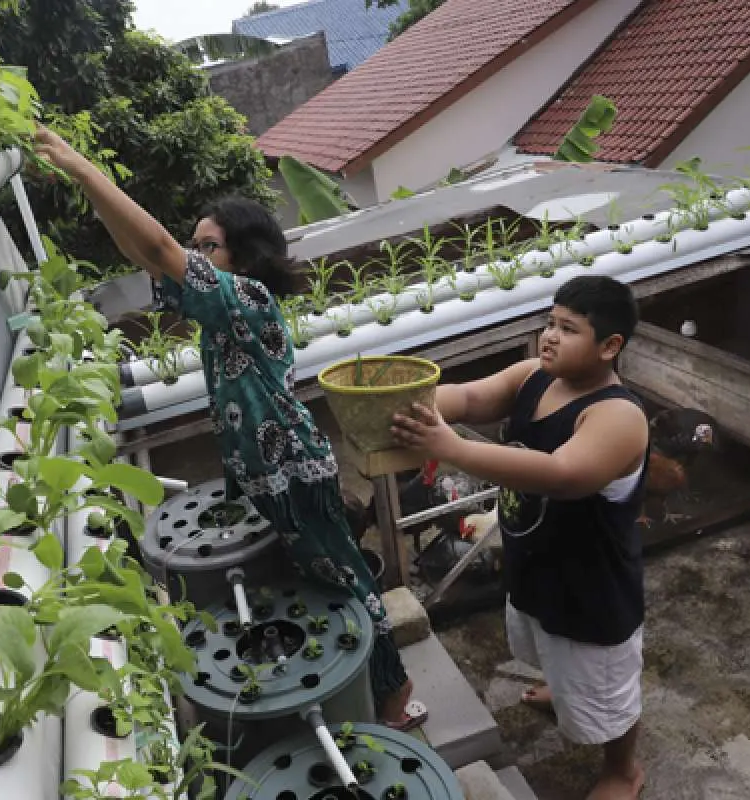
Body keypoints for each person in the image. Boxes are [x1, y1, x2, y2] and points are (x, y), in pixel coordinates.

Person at [32, 125, 426, 730]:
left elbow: (159, 248)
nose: (195, 256)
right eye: (196, 246)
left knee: (345, 584)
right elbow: (147, 255)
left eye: (208, 247)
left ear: (243, 255)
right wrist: (88, 190)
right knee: (311, 587)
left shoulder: (248, 298)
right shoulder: (222, 309)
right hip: (260, 473)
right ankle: (346, 697)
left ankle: (394, 694)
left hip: (291, 472)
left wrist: (84, 169)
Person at [389, 275, 648, 800]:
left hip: (591, 590)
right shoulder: (534, 376)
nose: (549, 336)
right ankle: (563, 687)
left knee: (607, 691)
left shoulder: (617, 416)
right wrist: (409, 406)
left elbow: (562, 474)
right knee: (546, 644)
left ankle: (623, 770)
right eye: (550, 322)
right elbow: (469, 396)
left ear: (609, 346)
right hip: (534, 565)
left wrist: (451, 447)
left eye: (568, 329)